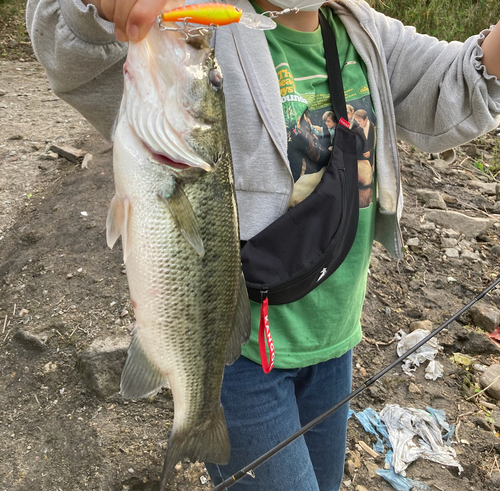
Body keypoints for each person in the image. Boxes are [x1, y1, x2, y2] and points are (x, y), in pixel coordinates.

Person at [26, 0, 500, 490]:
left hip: (335, 341)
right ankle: (198, 413)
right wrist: (101, 9)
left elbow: (462, 83)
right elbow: (68, 45)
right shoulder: (203, 22)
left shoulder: (362, 30)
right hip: (241, 355)